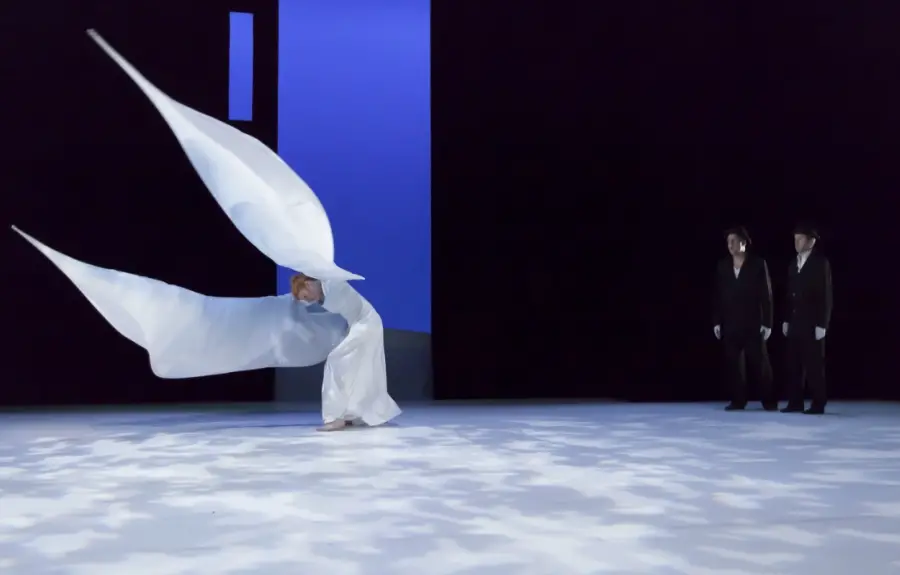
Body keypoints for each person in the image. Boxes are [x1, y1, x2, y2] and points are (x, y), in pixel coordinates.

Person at [291, 273, 401, 431]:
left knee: (335, 361)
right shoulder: (324, 292)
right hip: (362, 324)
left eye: (306, 297)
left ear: (308, 285)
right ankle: (354, 414)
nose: (308, 301)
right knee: (358, 369)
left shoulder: (332, 283)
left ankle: (335, 417)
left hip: (366, 324)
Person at [712, 226, 776, 411]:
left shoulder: (758, 264)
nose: (730, 245)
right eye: (728, 242)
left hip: (753, 323)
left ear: (744, 242)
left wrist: (767, 323)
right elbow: (718, 295)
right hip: (730, 323)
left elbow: (766, 295)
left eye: (734, 241)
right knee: (734, 365)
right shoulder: (723, 265)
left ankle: (769, 401)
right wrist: (716, 321)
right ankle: (738, 400)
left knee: (761, 364)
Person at [781, 224, 832, 414]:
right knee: (794, 364)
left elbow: (826, 294)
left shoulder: (820, 263)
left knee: (814, 364)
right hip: (795, 321)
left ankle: (818, 403)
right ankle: (795, 402)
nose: (796, 242)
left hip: (812, 322)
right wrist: (786, 319)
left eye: (800, 238)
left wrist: (822, 323)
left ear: (811, 241)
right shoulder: (793, 264)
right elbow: (789, 294)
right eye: (795, 239)